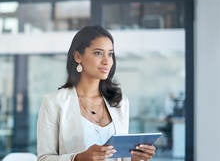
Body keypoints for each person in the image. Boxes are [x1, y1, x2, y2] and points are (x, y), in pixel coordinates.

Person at [37, 26, 156, 161]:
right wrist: (78, 158)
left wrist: (136, 158)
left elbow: (121, 158)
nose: (106, 61)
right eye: (98, 53)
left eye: (110, 54)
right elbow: (44, 159)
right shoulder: (54, 103)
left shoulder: (119, 102)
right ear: (77, 56)